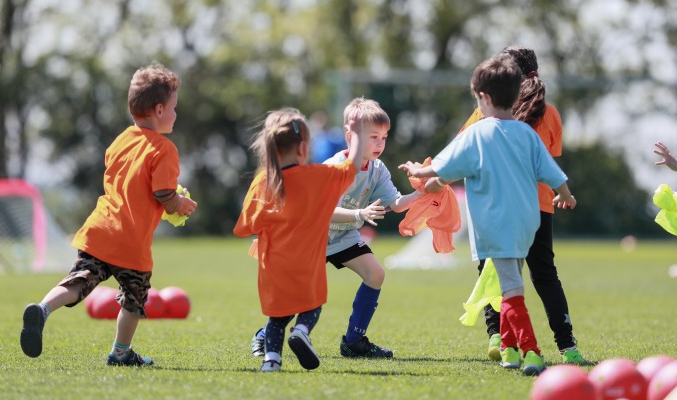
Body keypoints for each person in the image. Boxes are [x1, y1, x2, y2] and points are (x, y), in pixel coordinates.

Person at [399, 54, 577, 375]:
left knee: (510, 288)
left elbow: (440, 167)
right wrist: (566, 196)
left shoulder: (476, 132)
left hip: (496, 226)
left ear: (482, 97)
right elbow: (554, 174)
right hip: (530, 222)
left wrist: (418, 171)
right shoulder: (526, 133)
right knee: (506, 282)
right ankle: (508, 349)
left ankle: (532, 352)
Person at [19, 62, 197, 366]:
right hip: (131, 242)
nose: (176, 115)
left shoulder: (120, 140)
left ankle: (44, 308)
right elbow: (163, 193)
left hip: (99, 231)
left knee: (79, 280)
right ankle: (120, 352)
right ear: (158, 109)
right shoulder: (164, 149)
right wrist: (179, 205)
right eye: (174, 108)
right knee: (135, 299)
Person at [250, 98, 426, 360]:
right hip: (312, 238)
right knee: (297, 299)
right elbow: (321, 211)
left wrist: (421, 192)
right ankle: (264, 336)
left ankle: (354, 341)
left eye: (384, 137)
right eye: (373, 136)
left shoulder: (377, 170)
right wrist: (360, 213)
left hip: (344, 236)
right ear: (350, 137)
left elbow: (396, 204)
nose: (380, 143)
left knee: (375, 274)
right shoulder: (334, 167)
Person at [456, 46, 586, 365]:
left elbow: (461, 155)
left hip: (496, 208)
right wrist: (563, 192)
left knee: (494, 272)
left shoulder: (487, 110)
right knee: (545, 275)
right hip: (538, 208)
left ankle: (500, 339)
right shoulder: (550, 112)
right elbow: (549, 165)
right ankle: (567, 346)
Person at [234, 107, 363, 372]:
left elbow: (245, 227)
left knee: (277, 318)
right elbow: (352, 166)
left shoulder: (263, 182)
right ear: (303, 148)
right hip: (308, 265)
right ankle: (302, 330)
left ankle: (271, 360)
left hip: (273, 267)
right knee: (312, 305)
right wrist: (358, 133)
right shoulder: (319, 176)